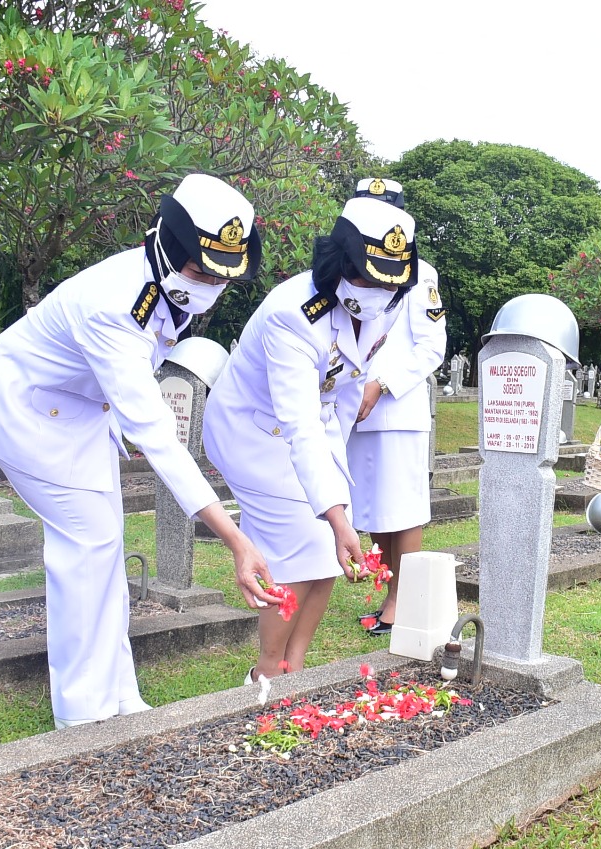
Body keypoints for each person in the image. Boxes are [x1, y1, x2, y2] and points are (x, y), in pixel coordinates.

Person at [0, 174, 278, 730]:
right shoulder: (116, 305)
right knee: (87, 550)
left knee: (106, 551)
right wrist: (234, 539)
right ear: (172, 246)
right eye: (201, 270)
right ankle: (83, 720)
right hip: (27, 413)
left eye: (222, 276)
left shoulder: (159, 284)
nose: (210, 285)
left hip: (77, 415)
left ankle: (121, 697)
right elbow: (156, 431)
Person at [202, 196, 420, 680]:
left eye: (392, 280)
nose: (380, 290)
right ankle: (264, 674)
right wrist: (339, 518)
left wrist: (336, 497)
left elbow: (339, 404)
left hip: (309, 427)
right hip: (251, 431)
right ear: (341, 263)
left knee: (323, 551)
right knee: (299, 547)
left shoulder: (381, 306)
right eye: (369, 275)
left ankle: (293, 668)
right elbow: (298, 423)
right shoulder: (294, 314)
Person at [346, 178, 447, 636]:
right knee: (373, 511)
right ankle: (390, 591)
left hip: (396, 411)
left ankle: (399, 602)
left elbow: (431, 347)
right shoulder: (349, 267)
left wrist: (382, 384)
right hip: (354, 409)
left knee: (401, 510)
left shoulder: (419, 273)